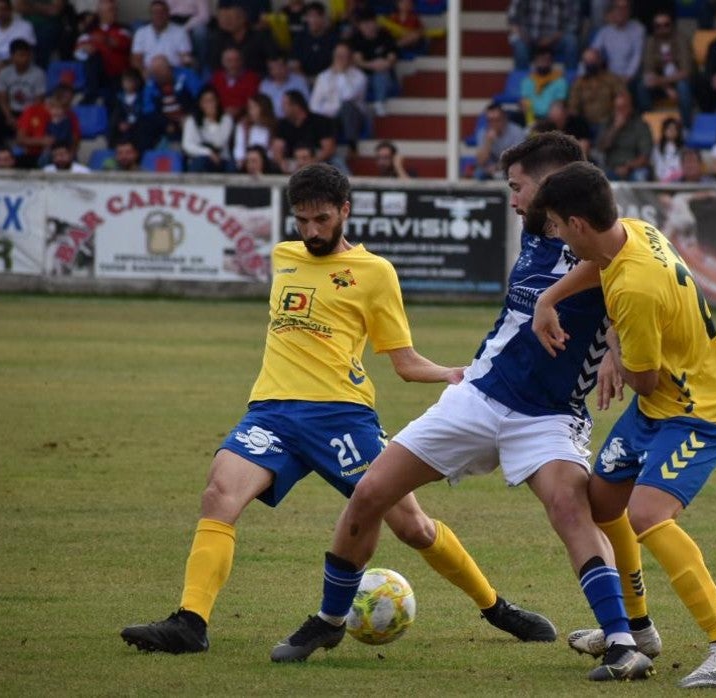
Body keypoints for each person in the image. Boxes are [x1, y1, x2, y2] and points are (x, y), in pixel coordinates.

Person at [121, 163, 557, 655]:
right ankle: (190, 623)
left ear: (345, 212)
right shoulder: (284, 257)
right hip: (271, 412)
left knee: (412, 526)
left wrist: (455, 373)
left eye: (322, 220)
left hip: (341, 416)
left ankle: (496, 607)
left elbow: (405, 362)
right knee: (219, 495)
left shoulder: (375, 273)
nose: (311, 232)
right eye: (302, 221)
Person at [270, 134, 654, 683]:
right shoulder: (539, 228)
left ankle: (622, 644)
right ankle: (330, 618)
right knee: (372, 491)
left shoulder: (602, 237)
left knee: (571, 510)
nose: (513, 200)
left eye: (518, 187)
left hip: (549, 415)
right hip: (477, 394)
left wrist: (615, 344)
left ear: (549, 186)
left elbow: (622, 269)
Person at [529, 160, 716, 690]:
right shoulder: (634, 232)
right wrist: (549, 297)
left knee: (647, 514)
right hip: (661, 408)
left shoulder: (635, 288)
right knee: (603, 503)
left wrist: (615, 349)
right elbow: (604, 269)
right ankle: (637, 628)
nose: (555, 235)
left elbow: (647, 378)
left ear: (578, 224)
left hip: (700, 411)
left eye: (558, 225)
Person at [308, 42, 368, 152]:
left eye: (343, 56)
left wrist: (341, 74)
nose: (339, 59)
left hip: (352, 117)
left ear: (350, 58)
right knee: (317, 117)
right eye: (337, 55)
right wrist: (329, 112)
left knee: (347, 107)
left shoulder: (359, 76)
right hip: (329, 117)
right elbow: (313, 105)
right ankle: (323, 149)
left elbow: (347, 96)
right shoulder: (323, 76)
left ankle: (351, 144)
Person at [637, 12, 693, 127]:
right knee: (642, 85)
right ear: (654, 28)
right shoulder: (650, 42)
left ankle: (687, 127)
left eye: (666, 25)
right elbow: (648, 70)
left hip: (682, 81)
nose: (662, 28)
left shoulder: (681, 39)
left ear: (672, 25)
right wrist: (666, 88)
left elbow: (686, 72)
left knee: (683, 87)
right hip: (661, 84)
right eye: (658, 26)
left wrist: (661, 81)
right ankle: (649, 125)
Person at [74, 0, 134, 105]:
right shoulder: (90, 31)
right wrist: (85, 48)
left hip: (117, 76)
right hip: (98, 76)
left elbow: (121, 43)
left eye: (115, 10)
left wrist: (102, 40)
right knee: (93, 56)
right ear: (100, 13)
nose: (115, 13)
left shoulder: (123, 29)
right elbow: (78, 51)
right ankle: (91, 95)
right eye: (111, 10)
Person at [273, 89, 338, 171]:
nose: (282, 107)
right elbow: (277, 148)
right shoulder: (282, 124)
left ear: (296, 106)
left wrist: (312, 163)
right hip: (293, 162)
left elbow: (328, 149)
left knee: (336, 162)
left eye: (285, 104)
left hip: (319, 162)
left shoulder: (320, 121)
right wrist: (281, 162)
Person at [507, 0, 581, 72]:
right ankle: (521, 80)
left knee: (571, 42)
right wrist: (523, 35)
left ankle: (571, 80)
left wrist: (553, 38)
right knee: (520, 47)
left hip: (556, 40)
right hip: (528, 39)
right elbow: (512, 17)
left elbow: (573, 23)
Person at [593, 91, 651, 182]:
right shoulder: (607, 123)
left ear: (630, 107)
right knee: (597, 177)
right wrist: (615, 129)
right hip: (611, 168)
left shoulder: (640, 125)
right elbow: (600, 148)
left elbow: (645, 156)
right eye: (618, 108)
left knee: (640, 176)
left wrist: (628, 166)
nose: (621, 111)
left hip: (634, 168)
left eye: (624, 107)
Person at [568, 47, 626, 135]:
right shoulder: (579, 82)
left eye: (592, 60)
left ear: (599, 60)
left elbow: (623, 100)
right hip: (586, 125)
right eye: (587, 61)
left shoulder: (613, 79)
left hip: (609, 124)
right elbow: (573, 107)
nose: (589, 64)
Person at [349, 10, 397, 118]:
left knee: (381, 73)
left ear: (375, 23)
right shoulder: (356, 39)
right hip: (364, 77)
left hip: (384, 77)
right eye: (364, 24)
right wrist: (374, 64)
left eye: (370, 23)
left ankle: (379, 103)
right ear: (359, 26)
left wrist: (385, 63)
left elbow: (392, 58)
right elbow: (358, 61)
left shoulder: (385, 35)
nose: (368, 27)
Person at [588, 0, 644, 89]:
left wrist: (627, 77)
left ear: (629, 11)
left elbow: (637, 56)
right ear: (612, 10)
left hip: (632, 78)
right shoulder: (605, 31)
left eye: (624, 8)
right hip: (611, 78)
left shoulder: (638, 29)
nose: (621, 11)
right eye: (617, 7)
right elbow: (593, 52)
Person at [182, 85, 234, 172]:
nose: (209, 104)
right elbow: (187, 145)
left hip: (222, 159)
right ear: (200, 103)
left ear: (217, 101)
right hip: (200, 158)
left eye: (211, 100)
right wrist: (208, 152)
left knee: (231, 166)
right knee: (199, 162)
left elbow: (219, 142)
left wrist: (212, 120)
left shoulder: (226, 119)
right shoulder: (192, 120)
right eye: (205, 101)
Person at [132, 0, 194, 72]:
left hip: (173, 73)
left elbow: (185, 57)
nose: (159, 15)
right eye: (155, 13)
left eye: (162, 12)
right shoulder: (141, 33)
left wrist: (187, 61)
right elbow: (136, 59)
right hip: (149, 73)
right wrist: (143, 73)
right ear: (150, 15)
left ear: (168, 14)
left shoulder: (180, 32)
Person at [473, 102, 525, 180]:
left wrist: (497, 167)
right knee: (479, 173)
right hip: (490, 170)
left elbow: (518, 159)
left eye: (497, 120)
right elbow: (480, 162)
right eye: (490, 120)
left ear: (505, 118)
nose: (494, 124)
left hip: (510, 168)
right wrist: (488, 142)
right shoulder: (483, 133)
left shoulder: (517, 131)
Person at [0, 0, 36, 67]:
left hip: (17, 66)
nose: (1, 13)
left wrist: (4, 64)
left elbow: (29, 53)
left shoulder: (25, 27)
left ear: (11, 10)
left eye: (4, 9)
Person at [521, 46, 569, 125]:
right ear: (535, 62)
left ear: (551, 62)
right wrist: (531, 121)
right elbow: (525, 100)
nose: (544, 63)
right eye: (541, 60)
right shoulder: (527, 81)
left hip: (550, 118)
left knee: (558, 110)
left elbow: (559, 102)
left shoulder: (560, 81)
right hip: (531, 117)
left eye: (547, 60)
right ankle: (531, 130)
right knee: (522, 106)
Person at [210, 46, 261, 122]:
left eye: (237, 60)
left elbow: (254, 101)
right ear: (223, 62)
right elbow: (211, 99)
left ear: (242, 61)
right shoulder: (216, 78)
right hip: (220, 117)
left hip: (245, 118)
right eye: (229, 61)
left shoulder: (252, 78)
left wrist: (239, 110)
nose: (233, 65)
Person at [233, 93, 274, 170]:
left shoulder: (272, 127)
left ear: (263, 108)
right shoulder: (243, 125)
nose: (250, 111)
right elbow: (239, 148)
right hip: (246, 163)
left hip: (266, 164)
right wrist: (242, 162)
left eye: (254, 107)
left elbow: (271, 151)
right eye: (249, 107)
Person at [651, 116, 684, 182]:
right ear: (664, 130)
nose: (671, 131)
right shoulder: (657, 148)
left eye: (674, 129)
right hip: (660, 180)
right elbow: (654, 165)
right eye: (669, 128)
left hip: (678, 181)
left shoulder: (683, 148)